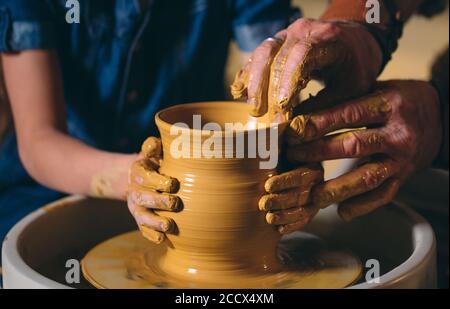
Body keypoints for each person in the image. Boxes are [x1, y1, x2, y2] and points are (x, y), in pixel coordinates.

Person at [0, 0, 446, 251]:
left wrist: (332, 53)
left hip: (225, 183)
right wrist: (141, 178)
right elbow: (39, 141)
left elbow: (278, 80)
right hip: (60, 179)